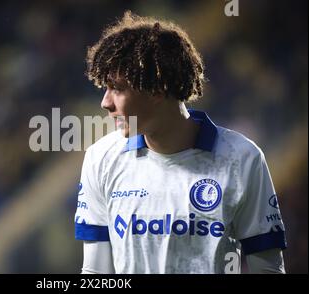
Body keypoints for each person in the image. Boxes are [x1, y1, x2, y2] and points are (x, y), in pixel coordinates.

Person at [74, 11, 287, 274]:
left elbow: (267, 268)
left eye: (117, 88)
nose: (105, 103)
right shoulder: (101, 158)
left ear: (157, 89)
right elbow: (96, 273)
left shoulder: (243, 158)